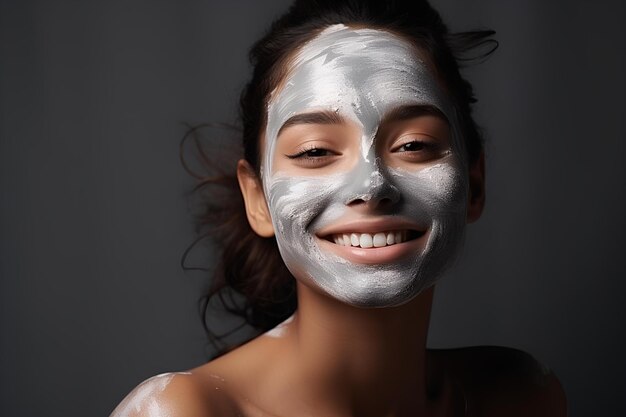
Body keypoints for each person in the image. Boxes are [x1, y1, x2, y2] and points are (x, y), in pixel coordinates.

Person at [111, 0, 566, 415]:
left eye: (413, 144)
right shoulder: (184, 411)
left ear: (474, 184)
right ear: (259, 199)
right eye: (314, 151)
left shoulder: (521, 397)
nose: (371, 185)